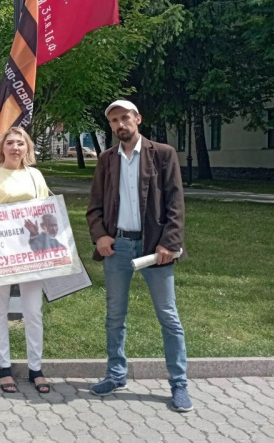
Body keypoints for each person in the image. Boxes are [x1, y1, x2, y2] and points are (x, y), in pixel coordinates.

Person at [86, 99, 191, 412]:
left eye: (125, 118)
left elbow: (175, 203)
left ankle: (179, 384)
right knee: (114, 316)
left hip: (154, 250)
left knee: (168, 317)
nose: (120, 124)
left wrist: (169, 243)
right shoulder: (106, 160)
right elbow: (95, 207)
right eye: (114, 120)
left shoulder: (162, 154)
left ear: (138, 119)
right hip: (117, 249)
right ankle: (116, 374)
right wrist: (100, 236)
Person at [0, 126, 53, 394]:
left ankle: (35, 368)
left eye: (20, 143)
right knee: (0, 309)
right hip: (0, 253)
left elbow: (46, 211)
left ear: (27, 148)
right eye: (10, 142)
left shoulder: (35, 175)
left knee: (33, 311)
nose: (15, 147)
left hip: (32, 252)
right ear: (2, 147)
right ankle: (4, 367)